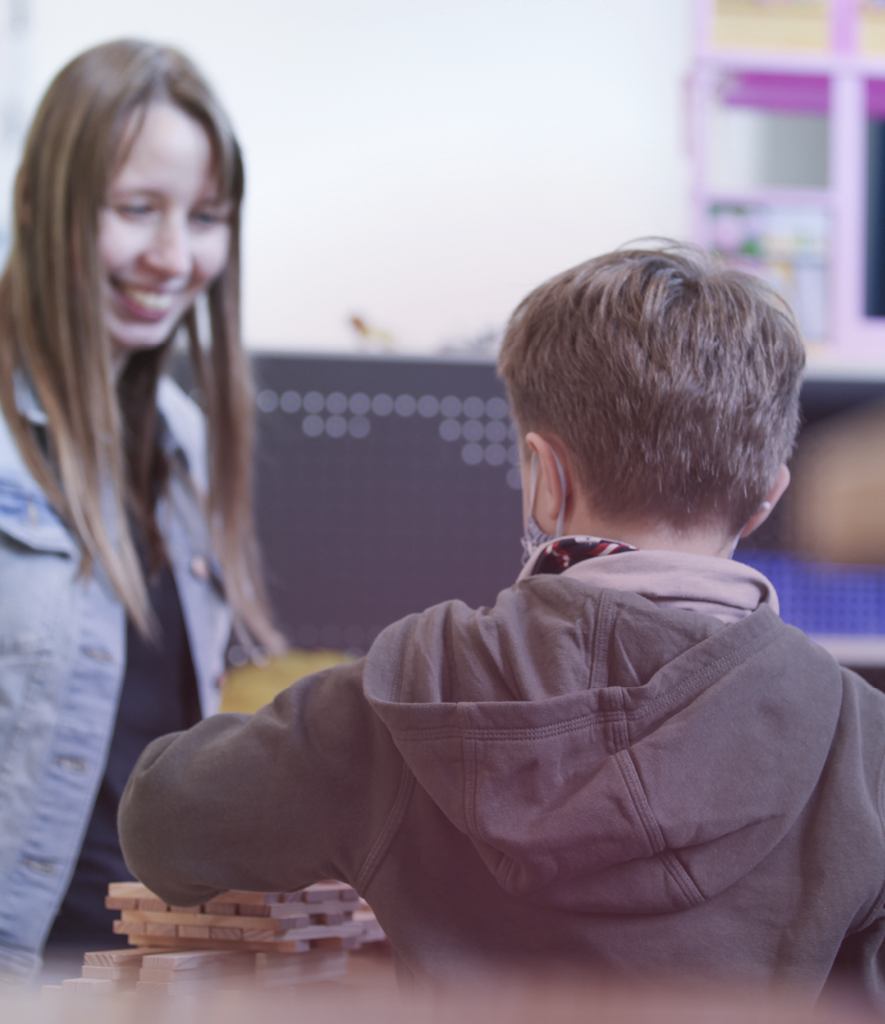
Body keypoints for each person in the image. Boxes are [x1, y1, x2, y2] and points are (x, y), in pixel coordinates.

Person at [119, 245, 885, 1004]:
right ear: (766, 497)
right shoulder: (862, 741)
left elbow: (161, 820)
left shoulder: (410, 694)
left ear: (545, 478)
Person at [0, 39, 280, 989]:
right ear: (44, 203)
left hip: (134, 987)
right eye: (137, 210)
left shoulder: (187, 440)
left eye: (206, 218)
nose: (175, 257)